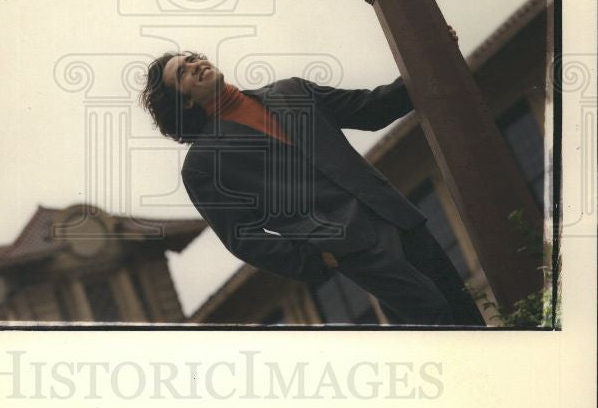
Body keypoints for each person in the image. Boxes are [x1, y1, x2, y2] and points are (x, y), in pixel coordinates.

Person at [138, 47, 486, 327]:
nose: (196, 65)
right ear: (183, 101)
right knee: (433, 316)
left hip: (395, 213)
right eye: (182, 72)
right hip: (349, 245)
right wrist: (316, 259)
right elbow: (243, 238)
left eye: (193, 58)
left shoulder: (291, 91)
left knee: (463, 314)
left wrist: (429, 56)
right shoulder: (202, 165)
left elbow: (370, 109)